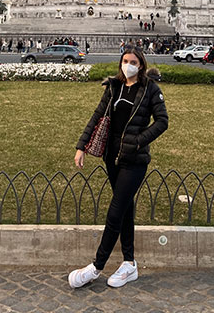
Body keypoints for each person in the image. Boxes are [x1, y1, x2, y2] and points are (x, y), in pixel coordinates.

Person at [69, 46, 169, 289]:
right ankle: (129, 263)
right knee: (124, 209)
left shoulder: (150, 89)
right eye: (125, 61)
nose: (128, 65)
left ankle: (96, 266)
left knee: (115, 211)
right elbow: (97, 116)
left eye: (133, 61)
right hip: (112, 157)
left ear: (141, 65)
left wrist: (138, 141)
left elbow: (163, 120)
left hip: (134, 160)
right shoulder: (114, 87)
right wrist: (81, 146)